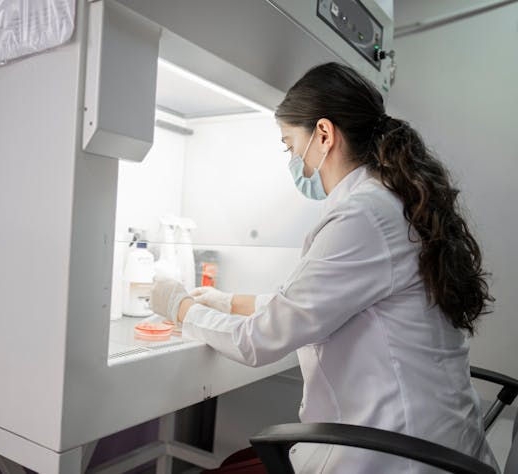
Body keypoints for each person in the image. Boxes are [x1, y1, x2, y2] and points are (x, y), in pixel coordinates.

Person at [150, 62, 500, 473]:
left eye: (289, 144)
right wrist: (230, 301)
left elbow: (260, 341)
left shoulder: (363, 216)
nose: (293, 159)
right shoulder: (392, 202)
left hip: (394, 455)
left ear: (323, 134)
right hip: (433, 442)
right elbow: (318, 303)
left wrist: (181, 309)